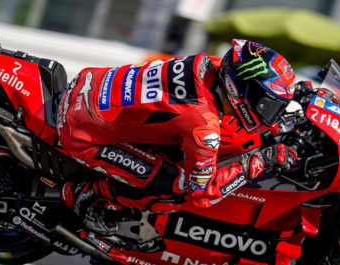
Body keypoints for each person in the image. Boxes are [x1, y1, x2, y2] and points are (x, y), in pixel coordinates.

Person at [56, 39, 298, 235]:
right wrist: (260, 161)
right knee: (177, 189)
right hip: (81, 131)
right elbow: (202, 194)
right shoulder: (203, 126)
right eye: (267, 105)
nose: (270, 115)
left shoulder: (208, 64)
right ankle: (85, 194)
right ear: (241, 89)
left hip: (87, 84)